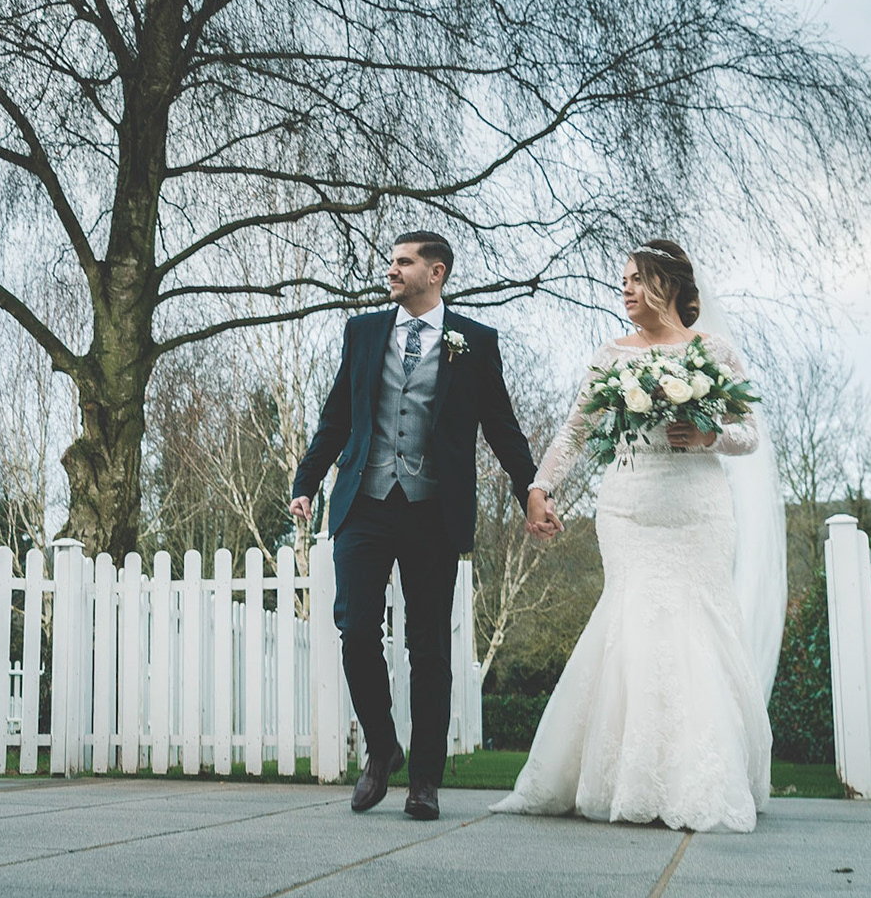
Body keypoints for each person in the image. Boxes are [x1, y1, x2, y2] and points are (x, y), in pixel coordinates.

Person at [495, 240, 775, 832]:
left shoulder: (712, 352)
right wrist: (540, 487)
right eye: (622, 280)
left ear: (667, 284)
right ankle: (629, 773)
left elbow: (749, 432)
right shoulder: (612, 355)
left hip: (698, 510)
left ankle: (696, 775)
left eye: (636, 279)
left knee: (698, 625)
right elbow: (575, 431)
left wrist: (709, 437)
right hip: (627, 509)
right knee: (634, 622)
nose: (625, 289)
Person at [290, 231, 538, 821]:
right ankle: (382, 748)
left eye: (404, 262)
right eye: (392, 261)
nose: (392, 270)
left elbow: (501, 427)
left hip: (433, 509)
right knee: (356, 630)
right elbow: (336, 417)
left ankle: (425, 779)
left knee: (428, 648)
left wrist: (530, 490)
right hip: (365, 501)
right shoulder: (363, 333)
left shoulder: (475, 342)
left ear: (436, 272)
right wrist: (306, 481)